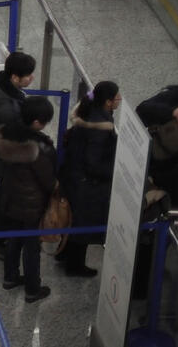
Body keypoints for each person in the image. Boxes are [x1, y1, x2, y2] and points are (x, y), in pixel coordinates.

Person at [0, 96, 57, 303]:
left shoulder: (7, 135)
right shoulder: (37, 148)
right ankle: (32, 289)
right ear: (37, 122)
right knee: (31, 246)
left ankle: (10, 277)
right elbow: (48, 180)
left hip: (10, 198)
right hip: (32, 204)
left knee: (13, 239)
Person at [0, 52, 36, 260]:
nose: (32, 79)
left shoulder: (0, 86)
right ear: (15, 77)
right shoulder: (8, 108)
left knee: (5, 196)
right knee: (4, 200)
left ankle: (0, 238)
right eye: (28, 75)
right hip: (2, 160)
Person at [60, 80, 120, 278]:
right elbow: (93, 161)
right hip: (87, 183)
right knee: (82, 224)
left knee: (73, 219)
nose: (119, 100)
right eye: (117, 97)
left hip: (73, 175)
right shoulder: (100, 127)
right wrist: (112, 173)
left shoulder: (86, 112)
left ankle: (64, 255)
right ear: (108, 102)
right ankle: (74, 265)